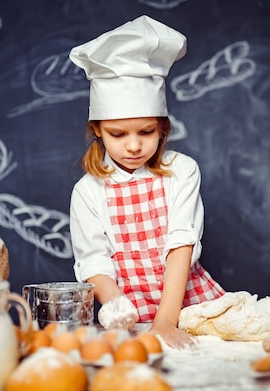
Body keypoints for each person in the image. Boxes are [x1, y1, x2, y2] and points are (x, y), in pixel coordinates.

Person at [68, 15, 225, 349]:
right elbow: (94, 260)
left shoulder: (182, 171)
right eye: (118, 134)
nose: (134, 145)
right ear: (97, 129)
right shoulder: (88, 191)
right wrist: (114, 303)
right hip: (131, 319)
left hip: (192, 310)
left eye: (146, 131)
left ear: (163, 127)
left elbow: (181, 246)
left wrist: (166, 322)